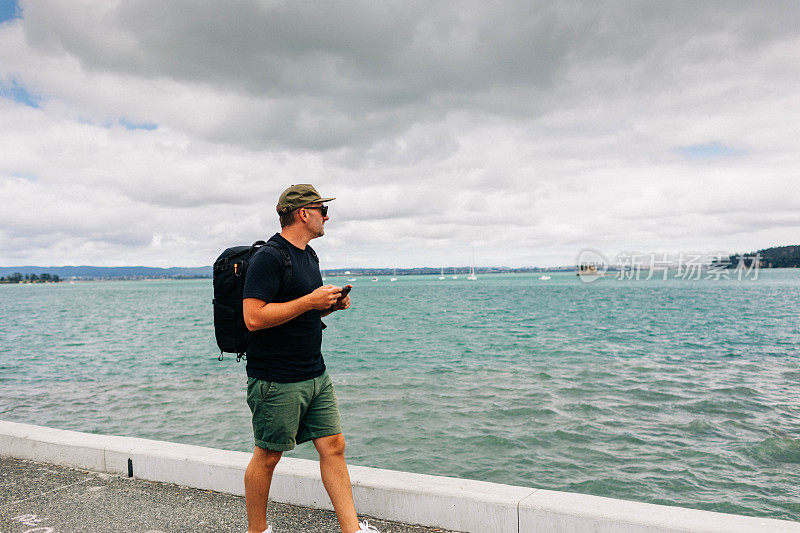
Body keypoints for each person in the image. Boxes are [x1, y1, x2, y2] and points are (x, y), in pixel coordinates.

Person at [242, 184, 378, 533]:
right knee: (268, 456)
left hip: (314, 372)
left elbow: (299, 313)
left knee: (334, 446)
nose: (326, 217)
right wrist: (310, 302)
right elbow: (254, 318)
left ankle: (352, 530)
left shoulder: (309, 256)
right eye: (323, 210)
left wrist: (329, 307)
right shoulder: (269, 257)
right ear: (304, 213)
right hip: (276, 378)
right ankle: (257, 531)